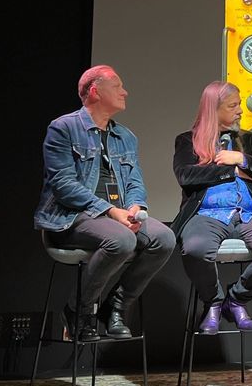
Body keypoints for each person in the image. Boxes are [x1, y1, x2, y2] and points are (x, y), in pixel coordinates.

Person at [33, 65, 176, 341]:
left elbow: (135, 181)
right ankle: (80, 310)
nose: (125, 92)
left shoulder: (126, 136)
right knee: (121, 240)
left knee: (164, 239)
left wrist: (136, 207)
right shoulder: (63, 128)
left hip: (117, 217)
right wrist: (110, 211)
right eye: (118, 86)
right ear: (95, 91)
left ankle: (116, 307)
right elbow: (63, 185)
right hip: (72, 216)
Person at [171, 81, 252, 334]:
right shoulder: (187, 140)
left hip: (247, 214)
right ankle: (214, 302)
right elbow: (186, 176)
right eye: (233, 105)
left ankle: (236, 300)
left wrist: (242, 159)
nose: (240, 110)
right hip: (206, 214)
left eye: (239, 104)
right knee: (196, 249)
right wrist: (231, 171)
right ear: (213, 109)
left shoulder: (248, 141)